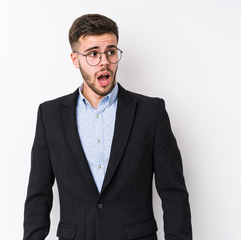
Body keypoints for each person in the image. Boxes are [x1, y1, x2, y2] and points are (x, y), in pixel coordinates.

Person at [23, 13, 192, 240]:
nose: (104, 61)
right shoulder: (50, 115)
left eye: (111, 52)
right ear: (75, 59)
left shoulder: (151, 112)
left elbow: (174, 195)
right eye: (93, 54)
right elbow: (38, 195)